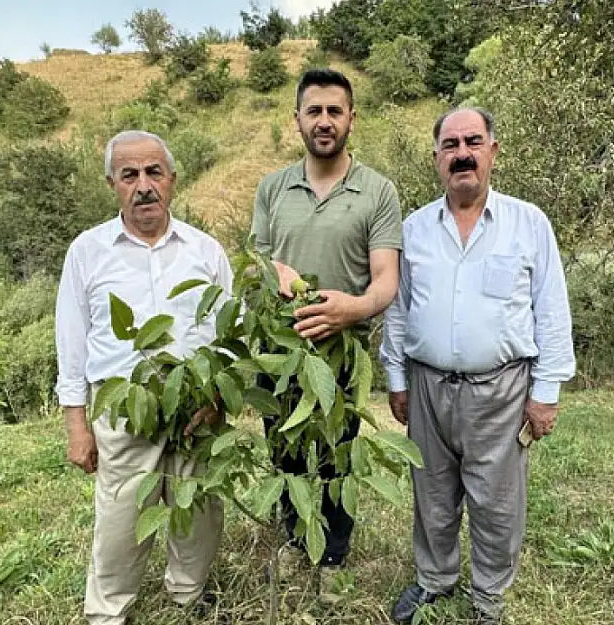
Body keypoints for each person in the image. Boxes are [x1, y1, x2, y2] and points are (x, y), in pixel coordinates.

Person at [380, 108, 575, 624]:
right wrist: (396, 380)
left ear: (492, 151)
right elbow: (398, 313)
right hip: (427, 386)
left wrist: (547, 390)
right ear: (437, 158)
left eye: (472, 141)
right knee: (432, 494)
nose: (461, 153)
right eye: (450, 145)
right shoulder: (414, 229)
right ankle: (434, 580)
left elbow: (551, 309)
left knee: (497, 501)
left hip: (503, 389)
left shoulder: (528, 223)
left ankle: (488, 598)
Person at [55, 130, 233, 625]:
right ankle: (108, 612)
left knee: (199, 512)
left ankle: (188, 598)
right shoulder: (88, 252)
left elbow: (227, 333)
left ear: (172, 179)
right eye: (129, 175)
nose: (143, 185)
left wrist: (216, 397)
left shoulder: (206, 250)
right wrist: (76, 424)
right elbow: (71, 344)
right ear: (112, 183)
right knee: (120, 518)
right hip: (123, 410)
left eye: (154, 172)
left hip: (198, 408)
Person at [250, 68, 403, 582]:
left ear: (351, 120)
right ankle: (294, 543)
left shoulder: (378, 191)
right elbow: (257, 259)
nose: (324, 121)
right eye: (313, 110)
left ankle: (335, 553)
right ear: (296, 120)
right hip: (281, 351)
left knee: (340, 456)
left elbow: (385, 281)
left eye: (334, 111)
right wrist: (273, 272)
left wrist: (351, 310)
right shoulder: (272, 189)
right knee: (286, 451)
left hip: (343, 357)